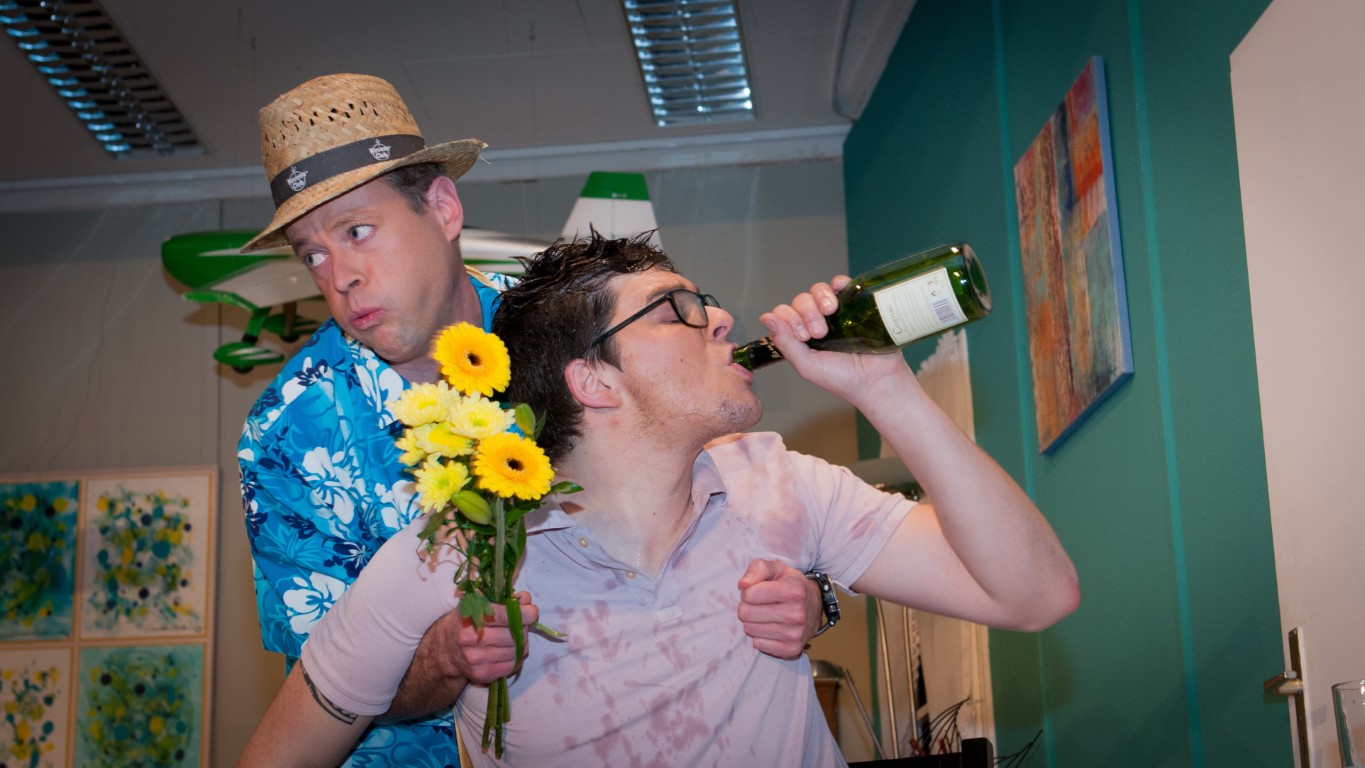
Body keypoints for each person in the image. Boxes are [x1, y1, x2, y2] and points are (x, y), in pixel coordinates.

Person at [241, 231, 1081, 766]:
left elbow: (1037, 596)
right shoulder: (462, 552)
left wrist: (886, 389)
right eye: (675, 310)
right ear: (593, 380)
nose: (718, 320)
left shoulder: (780, 482)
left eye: (702, 302)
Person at [236, 75, 828, 767]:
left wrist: (813, 597)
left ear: (443, 207)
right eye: (311, 254)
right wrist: (441, 658)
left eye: (357, 232)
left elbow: (721, 490)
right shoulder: (287, 437)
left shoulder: (570, 328)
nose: (338, 276)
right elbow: (317, 691)